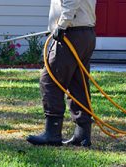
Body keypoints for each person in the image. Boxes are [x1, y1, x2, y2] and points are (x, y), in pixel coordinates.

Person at [27, 0, 96, 147]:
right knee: (78, 83)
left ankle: (52, 134)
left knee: (50, 81)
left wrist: (61, 25)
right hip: (85, 33)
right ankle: (82, 135)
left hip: (70, 34)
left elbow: (72, 2)